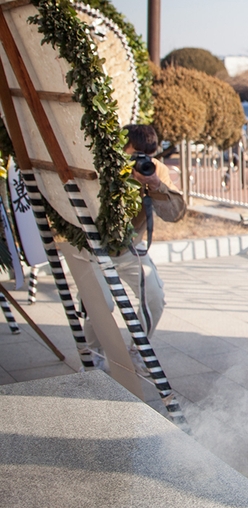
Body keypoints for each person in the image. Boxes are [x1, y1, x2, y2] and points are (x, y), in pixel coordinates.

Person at [83, 123, 185, 375]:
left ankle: (137, 351)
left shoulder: (153, 169)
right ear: (120, 149)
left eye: (147, 155)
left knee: (155, 298)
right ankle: (93, 353)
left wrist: (155, 185)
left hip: (131, 248)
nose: (141, 160)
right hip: (96, 248)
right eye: (135, 154)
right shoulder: (100, 165)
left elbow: (176, 213)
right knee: (101, 304)